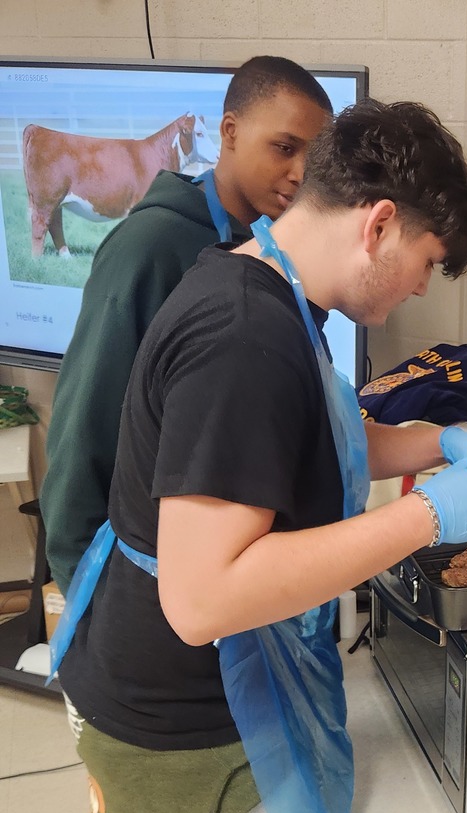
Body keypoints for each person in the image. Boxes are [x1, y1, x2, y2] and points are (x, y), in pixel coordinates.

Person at [50, 98, 467, 813]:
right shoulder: (245, 335)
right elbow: (203, 596)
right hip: (188, 731)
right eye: (426, 263)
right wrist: (429, 518)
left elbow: (316, 437)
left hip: (193, 689)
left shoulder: (265, 283)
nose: (422, 291)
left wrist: (442, 443)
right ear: (380, 223)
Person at [41, 55, 334, 596]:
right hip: (144, 582)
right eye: (285, 148)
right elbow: (85, 425)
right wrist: (84, 589)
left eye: (314, 159)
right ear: (229, 132)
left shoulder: (283, 254)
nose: (300, 174)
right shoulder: (148, 249)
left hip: (234, 574)